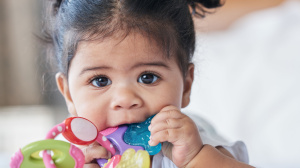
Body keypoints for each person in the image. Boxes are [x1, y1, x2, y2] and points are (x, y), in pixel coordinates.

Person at [42, 0, 254, 167]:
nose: (125, 99)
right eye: (100, 81)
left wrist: (195, 159)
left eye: (148, 77)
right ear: (69, 94)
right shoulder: (72, 157)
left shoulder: (195, 145)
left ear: (186, 85)